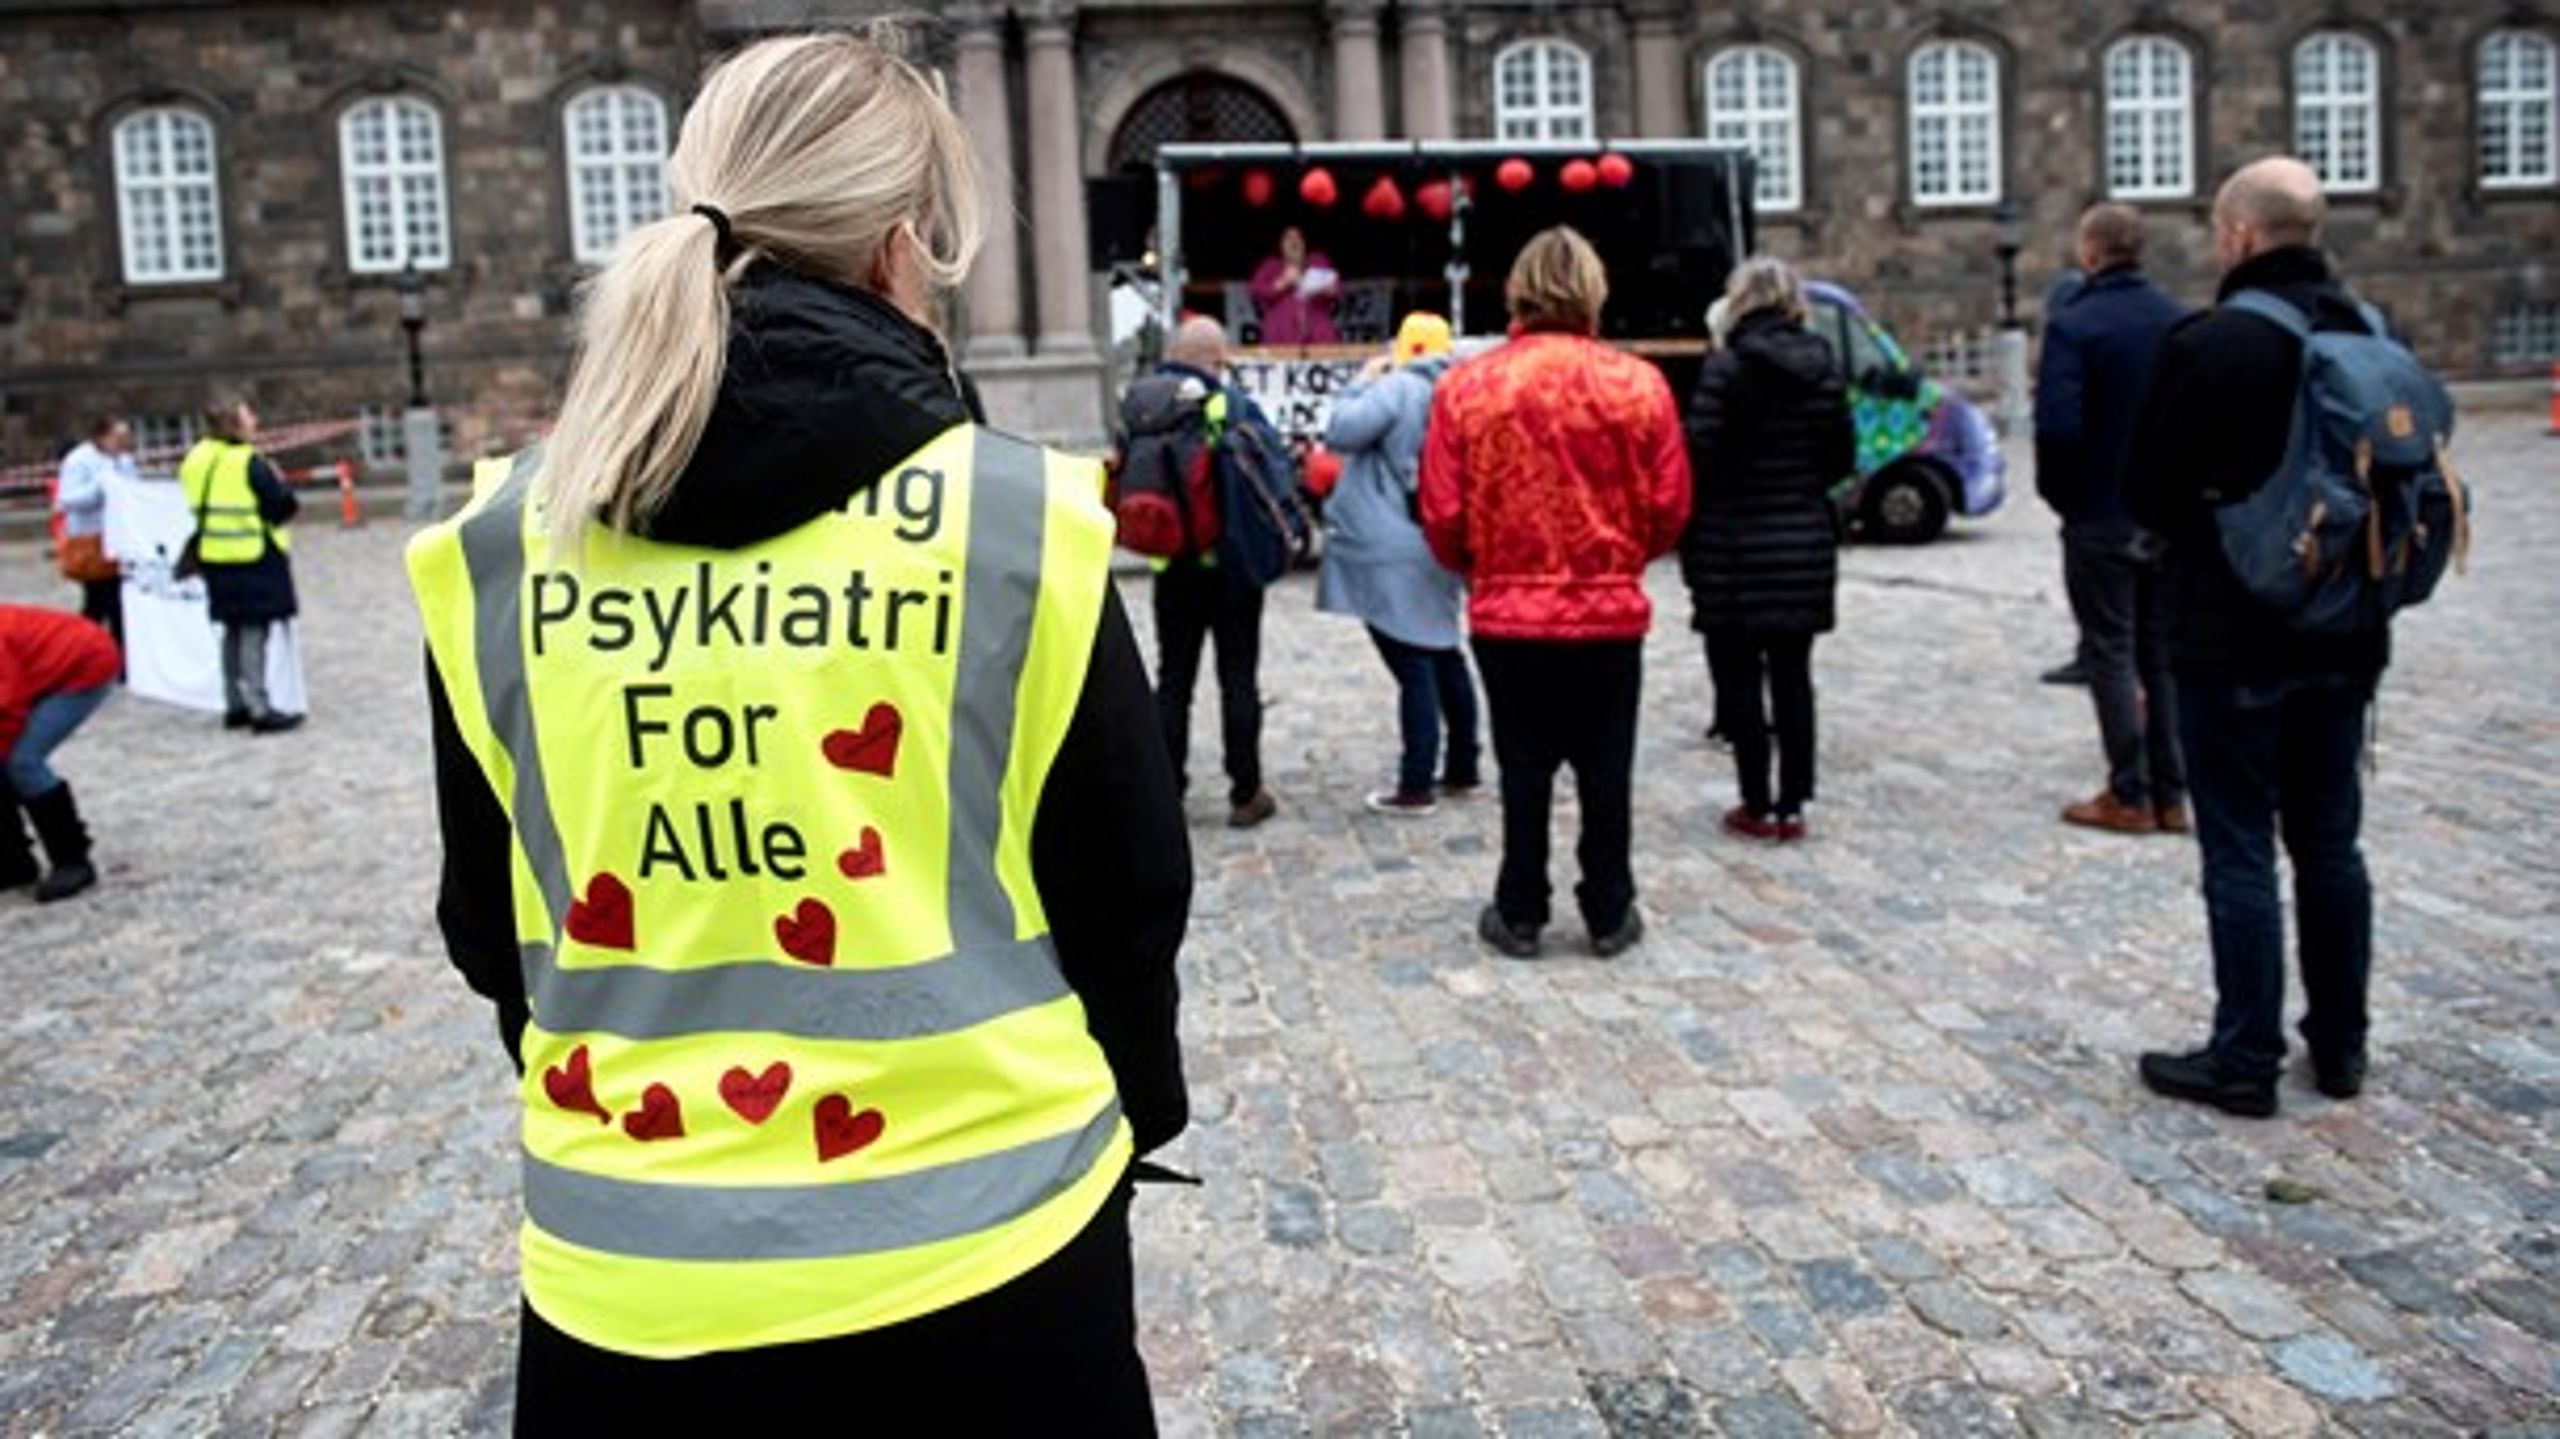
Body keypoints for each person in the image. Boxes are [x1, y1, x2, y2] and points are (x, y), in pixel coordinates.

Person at [407, 31, 1190, 1430]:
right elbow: (1127, 902)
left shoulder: (500, 551)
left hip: (623, 1289)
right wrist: (1140, 1113)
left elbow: (490, 927)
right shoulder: (1017, 525)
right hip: (994, 1256)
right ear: (903, 250)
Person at [2126, 156, 2392, 1118]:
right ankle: (2343, 1043)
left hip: (2231, 633)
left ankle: (2244, 1055)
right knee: (2330, 841)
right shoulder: (2366, 332)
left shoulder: (2212, 342)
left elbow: (2145, 492)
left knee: (2239, 847)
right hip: (2346, 635)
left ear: (2238, 234)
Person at [1421, 226, 1690, 959]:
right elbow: (1670, 505)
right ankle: (1608, 907)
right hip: (1607, 613)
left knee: (1524, 766)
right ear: (1594, 292)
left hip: (1509, 613)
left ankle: (1521, 907)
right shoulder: (1638, 385)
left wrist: (1484, 564)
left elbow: (1441, 513)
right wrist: (1620, 556)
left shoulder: (1468, 388)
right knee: (1607, 769)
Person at [1681, 257, 1855, 843]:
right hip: (1802, 541)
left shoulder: (1726, 369)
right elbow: (1841, 459)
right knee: (1793, 678)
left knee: (1739, 682)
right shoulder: (1823, 367)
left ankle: (1756, 799)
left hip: (1732, 544)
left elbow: (1697, 456)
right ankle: (1793, 802)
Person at [2036, 204, 2191, 836]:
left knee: (2109, 650)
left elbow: (2058, 425)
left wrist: (2065, 496)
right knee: (2159, 652)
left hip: (2100, 509)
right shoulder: (2177, 321)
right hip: (2163, 511)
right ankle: (2172, 791)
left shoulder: (2077, 325)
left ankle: (2130, 790)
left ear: (2091, 253)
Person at [1318, 311, 1479, 814]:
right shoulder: (1462, 393)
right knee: (1443, 648)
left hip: (1391, 542)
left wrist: (1359, 384)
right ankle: (1462, 765)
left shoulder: (1401, 388)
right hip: (1437, 536)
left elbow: (1340, 431)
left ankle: (1416, 782)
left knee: (1412, 660)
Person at [1146, 314, 1283, 828]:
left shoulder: (1145, 404)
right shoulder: (1232, 405)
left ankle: (1167, 791)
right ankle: (1245, 792)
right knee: (1238, 678)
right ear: (1218, 359)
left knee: (1173, 681)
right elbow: (1272, 468)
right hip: (1229, 567)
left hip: (1171, 566)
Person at [179, 400, 302, 733]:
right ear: (235, 424)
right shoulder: (248, 462)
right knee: (252, 631)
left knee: (230, 631)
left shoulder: (197, 457)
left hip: (214, 555)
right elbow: (281, 507)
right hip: (252, 554)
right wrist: (279, 480)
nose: (256, 420)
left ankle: (234, 703)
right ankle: (260, 707)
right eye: (249, 416)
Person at [0, 604, 117, 903]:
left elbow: (7, 706)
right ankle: (14, 863)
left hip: (85, 664)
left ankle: (73, 860)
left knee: (21, 760)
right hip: (38, 670)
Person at [54, 416, 135, 649]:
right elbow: (67, 499)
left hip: (119, 537)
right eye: (117, 437)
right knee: (99, 600)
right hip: (91, 539)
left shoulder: (125, 461)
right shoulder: (79, 460)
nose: (122, 443)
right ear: (101, 437)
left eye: (125, 437)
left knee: (118, 601)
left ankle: (120, 653)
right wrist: (99, 489)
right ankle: (81, 645)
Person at [1249, 225, 1339, 345]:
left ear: (1304, 243)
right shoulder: (1271, 266)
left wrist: (1325, 289)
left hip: (1318, 336)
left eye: (1298, 238)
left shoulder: (1317, 261)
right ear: (1281, 244)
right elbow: (1256, 291)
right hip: (1280, 337)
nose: (1293, 241)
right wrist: (1283, 282)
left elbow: (1335, 290)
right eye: (1288, 238)